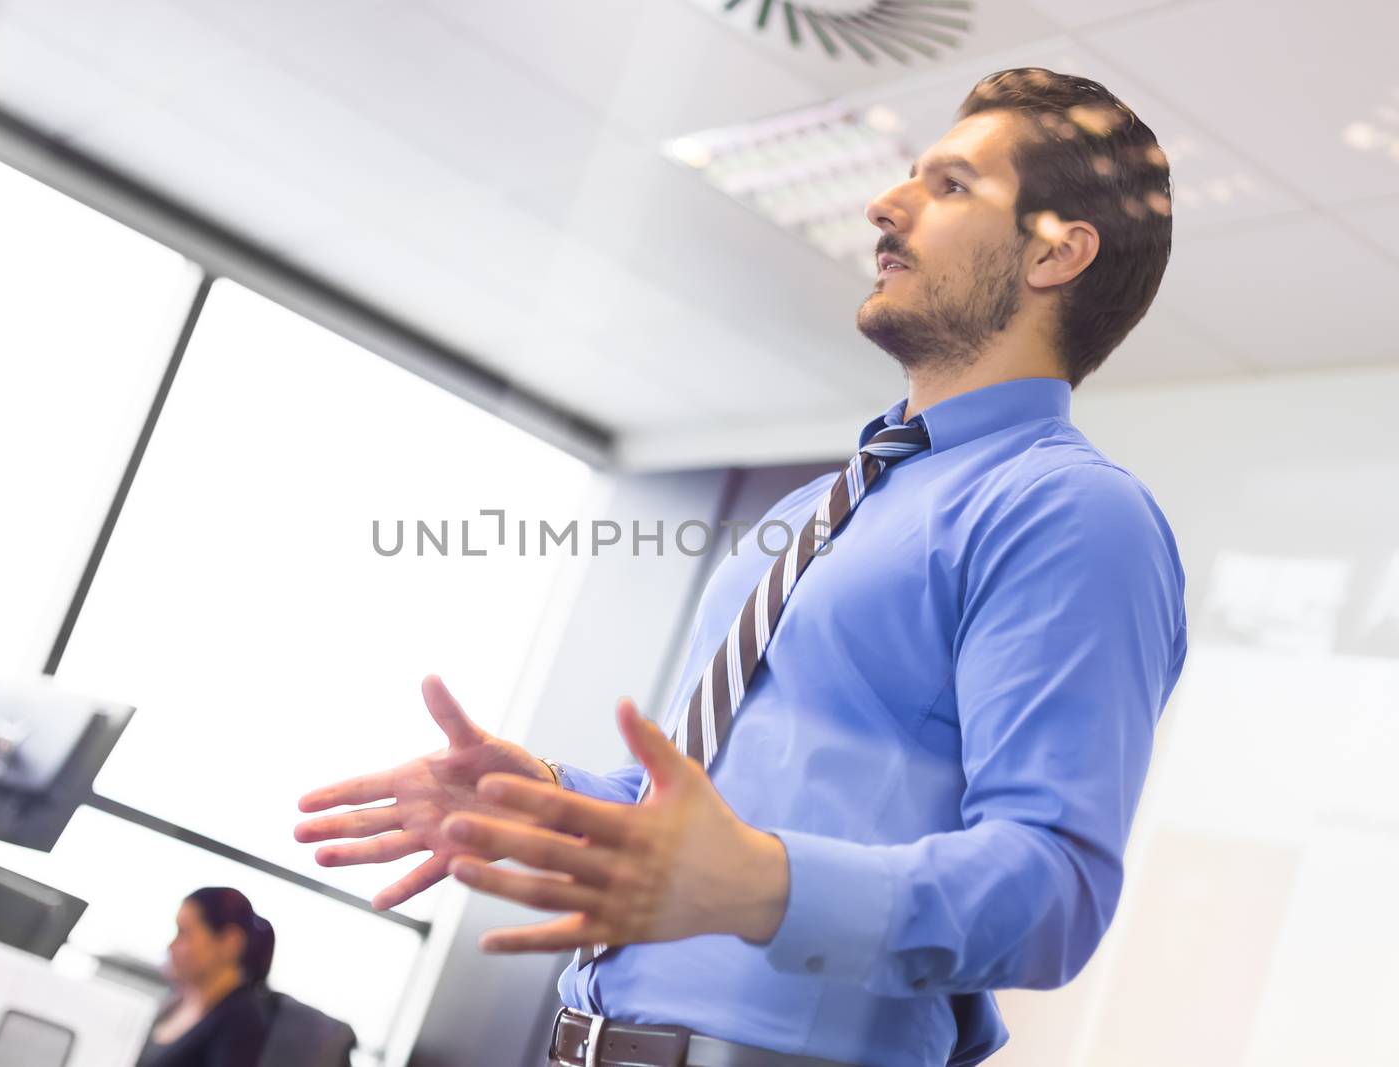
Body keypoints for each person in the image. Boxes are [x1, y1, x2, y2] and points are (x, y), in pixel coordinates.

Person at [295, 67, 1186, 1067]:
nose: (883, 204)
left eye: (948, 187)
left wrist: (768, 882)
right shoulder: (814, 509)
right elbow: (693, 818)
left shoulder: (1067, 510)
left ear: (1053, 252)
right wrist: (549, 797)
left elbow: (1053, 888)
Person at [137, 887, 275, 1067]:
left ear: (229, 942)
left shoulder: (241, 1022)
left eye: (184, 933)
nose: (171, 945)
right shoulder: (177, 1001)